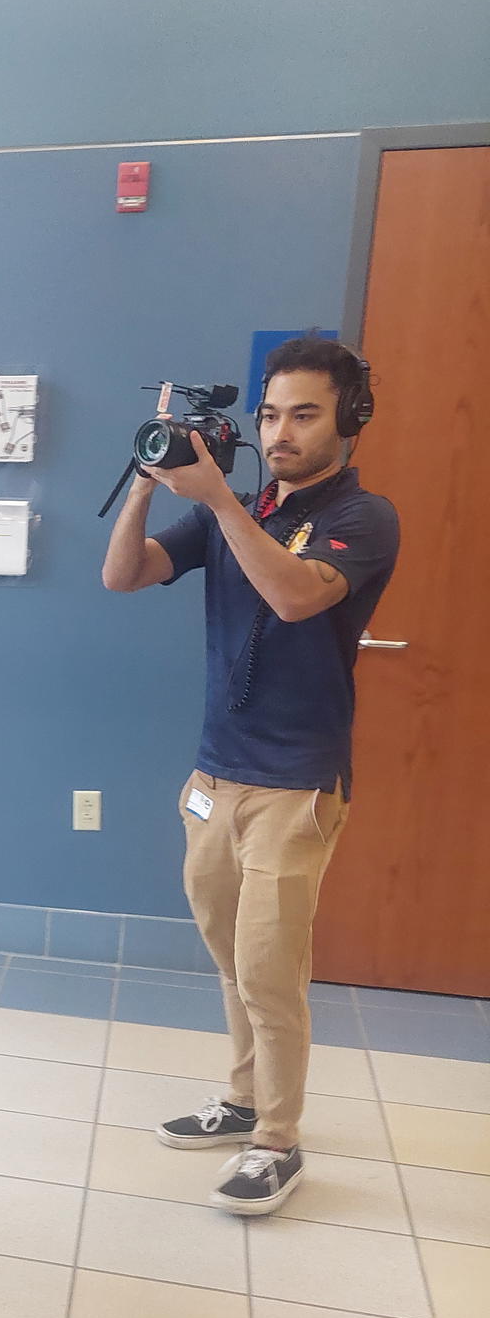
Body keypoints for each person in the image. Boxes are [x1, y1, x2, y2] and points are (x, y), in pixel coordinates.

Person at [102, 338, 399, 1215]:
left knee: (271, 968)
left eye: (304, 414)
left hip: (296, 784)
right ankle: (241, 1098)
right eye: (270, 415)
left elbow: (295, 596)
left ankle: (277, 1139)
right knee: (231, 956)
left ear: (349, 419)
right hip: (215, 775)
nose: (279, 433)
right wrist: (148, 479)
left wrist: (221, 501)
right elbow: (122, 575)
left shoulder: (364, 516)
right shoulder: (240, 509)